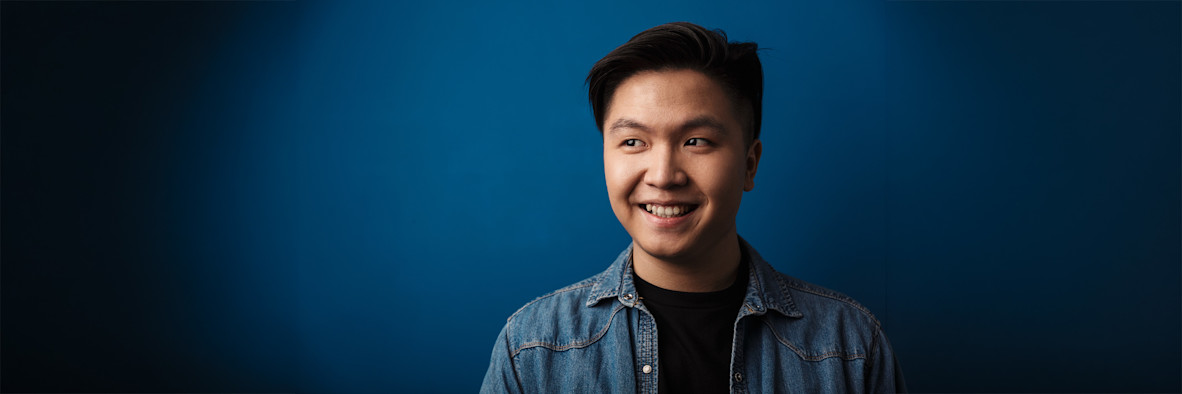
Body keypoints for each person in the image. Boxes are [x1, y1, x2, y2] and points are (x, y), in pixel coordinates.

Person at [481, 22, 905, 393]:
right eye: (633, 142)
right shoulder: (533, 346)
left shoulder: (849, 345)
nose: (663, 175)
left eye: (696, 141)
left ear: (749, 164)